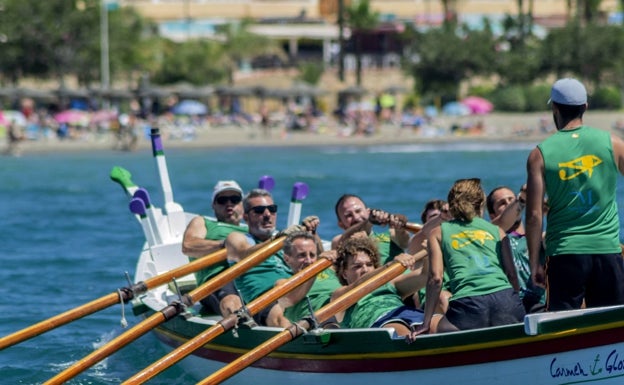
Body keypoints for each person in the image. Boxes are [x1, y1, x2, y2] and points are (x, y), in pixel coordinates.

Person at [526, 78, 624, 311]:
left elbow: (533, 216)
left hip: (565, 254)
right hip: (607, 250)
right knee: (610, 324)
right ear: (585, 107)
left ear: (554, 108)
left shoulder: (540, 154)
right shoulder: (613, 143)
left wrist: (534, 264)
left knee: (563, 326)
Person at [410, 178, 525, 339]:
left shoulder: (438, 232)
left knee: (438, 329)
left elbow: (436, 279)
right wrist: (514, 303)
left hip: (468, 305)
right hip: (506, 301)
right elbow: (512, 275)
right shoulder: (497, 230)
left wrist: (426, 323)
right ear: (481, 204)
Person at [224, 188, 309, 327]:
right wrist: (277, 240)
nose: (267, 214)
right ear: (246, 217)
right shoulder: (237, 238)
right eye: (259, 211)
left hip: (296, 290)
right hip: (266, 299)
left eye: (272, 209)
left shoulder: (287, 241)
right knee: (282, 319)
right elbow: (243, 255)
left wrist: (313, 235)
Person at [331, 236, 427, 337]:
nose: (365, 270)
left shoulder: (391, 284)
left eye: (369, 264)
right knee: (399, 330)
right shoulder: (340, 294)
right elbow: (360, 284)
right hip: (380, 323)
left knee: (438, 324)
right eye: (357, 266)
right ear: (344, 273)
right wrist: (390, 265)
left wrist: (431, 252)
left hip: (406, 313)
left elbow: (425, 276)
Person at [181, 180, 247, 317]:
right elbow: (188, 246)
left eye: (234, 199)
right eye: (222, 200)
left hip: (252, 277)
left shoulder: (251, 229)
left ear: (243, 204)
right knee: (231, 300)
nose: (229, 204)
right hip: (219, 280)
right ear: (213, 205)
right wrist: (224, 244)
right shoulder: (203, 222)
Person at [487, 185, 546, 313]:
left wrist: (551, 212)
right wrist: (522, 199)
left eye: (511, 199)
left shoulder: (539, 239)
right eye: (502, 203)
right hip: (510, 307)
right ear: (492, 215)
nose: (509, 204)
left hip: (541, 306)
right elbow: (501, 222)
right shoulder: (490, 238)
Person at [275, 231, 341, 324]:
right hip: (321, 323)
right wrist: (315, 268)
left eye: (312, 255)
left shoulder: (330, 269)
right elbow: (289, 299)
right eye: (302, 255)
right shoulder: (283, 283)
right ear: (287, 259)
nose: (309, 261)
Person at [331, 194, 410, 264]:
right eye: (348, 215)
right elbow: (343, 240)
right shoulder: (340, 241)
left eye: (358, 211)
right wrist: (369, 221)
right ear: (341, 225)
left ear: (368, 212)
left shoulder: (391, 235)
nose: (356, 217)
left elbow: (404, 240)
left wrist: (398, 220)